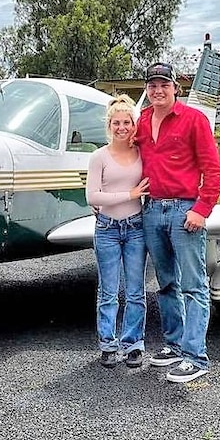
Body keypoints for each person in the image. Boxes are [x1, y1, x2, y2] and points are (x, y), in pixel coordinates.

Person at [135, 62, 220, 383]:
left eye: (164, 85)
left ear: (175, 88)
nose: (158, 90)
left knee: (194, 284)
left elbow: (213, 170)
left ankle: (195, 356)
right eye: (152, 85)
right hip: (152, 210)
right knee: (166, 281)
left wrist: (202, 209)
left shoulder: (194, 120)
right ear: (147, 89)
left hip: (184, 210)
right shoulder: (142, 122)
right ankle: (173, 344)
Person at [85, 95, 150, 369]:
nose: (121, 127)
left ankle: (133, 344)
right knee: (108, 292)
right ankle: (108, 344)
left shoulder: (141, 154)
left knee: (136, 291)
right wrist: (131, 194)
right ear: (109, 125)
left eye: (127, 122)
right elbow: (92, 196)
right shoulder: (98, 156)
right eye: (116, 122)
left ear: (134, 126)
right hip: (107, 229)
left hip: (136, 227)